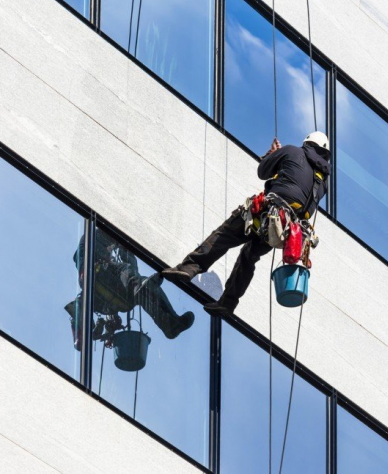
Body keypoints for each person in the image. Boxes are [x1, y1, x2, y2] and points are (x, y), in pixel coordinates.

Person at [162, 131, 331, 317]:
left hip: (267, 212)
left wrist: (273, 155)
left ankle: (189, 268)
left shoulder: (292, 151)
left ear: (307, 143)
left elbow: (263, 172)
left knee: (225, 235)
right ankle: (227, 303)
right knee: (248, 257)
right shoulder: (322, 181)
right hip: (283, 230)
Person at [65, 229, 195, 351]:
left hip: (120, 299)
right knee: (132, 277)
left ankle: (170, 323)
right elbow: (85, 259)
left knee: (144, 287)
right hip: (102, 282)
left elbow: (128, 257)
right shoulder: (94, 242)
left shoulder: (105, 249)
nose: (110, 255)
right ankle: (142, 289)